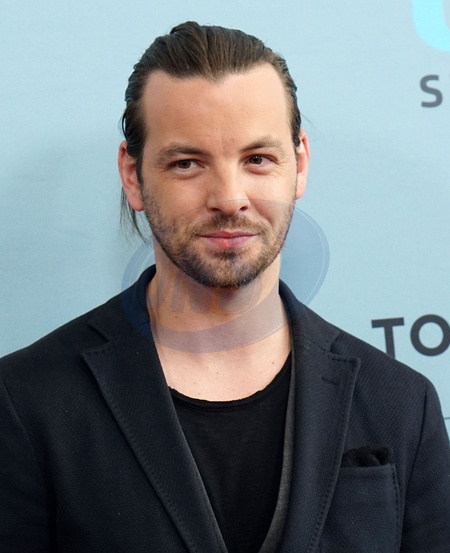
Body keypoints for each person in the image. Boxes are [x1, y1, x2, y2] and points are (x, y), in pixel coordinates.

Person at [0, 21, 449, 553]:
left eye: (257, 159)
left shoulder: (403, 404)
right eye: (188, 163)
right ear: (133, 175)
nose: (229, 197)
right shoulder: (28, 401)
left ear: (299, 164)